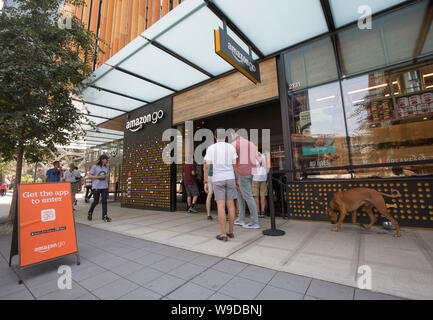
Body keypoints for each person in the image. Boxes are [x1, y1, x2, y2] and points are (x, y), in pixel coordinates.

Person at [204, 128, 239, 241]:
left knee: (220, 206)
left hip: (218, 179)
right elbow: (235, 166)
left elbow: (207, 166)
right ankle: (230, 232)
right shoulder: (231, 147)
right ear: (225, 137)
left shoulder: (211, 148)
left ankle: (223, 234)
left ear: (215, 137)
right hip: (230, 178)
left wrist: (205, 181)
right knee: (231, 205)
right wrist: (237, 180)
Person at [231, 130, 263, 229]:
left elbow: (234, 162)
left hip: (241, 173)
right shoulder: (251, 143)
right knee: (240, 196)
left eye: (232, 134)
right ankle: (241, 219)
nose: (231, 136)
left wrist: (236, 177)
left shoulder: (234, 144)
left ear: (236, 134)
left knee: (248, 196)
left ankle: (255, 222)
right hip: (251, 173)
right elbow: (260, 159)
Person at [87, 154, 111, 222]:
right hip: (97, 186)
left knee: (104, 201)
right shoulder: (95, 167)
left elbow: (107, 177)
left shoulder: (106, 168)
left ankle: (104, 216)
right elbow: (89, 176)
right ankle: (90, 213)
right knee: (96, 201)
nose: (107, 161)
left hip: (104, 187)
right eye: (106, 159)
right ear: (102, 159)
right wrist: (99, 177)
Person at [252, 152, 268, 218]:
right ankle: (263, 212)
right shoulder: (264, 155)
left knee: (255, 196)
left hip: (255, 177)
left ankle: (257, 212)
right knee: (263, 195)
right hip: (263, 177)